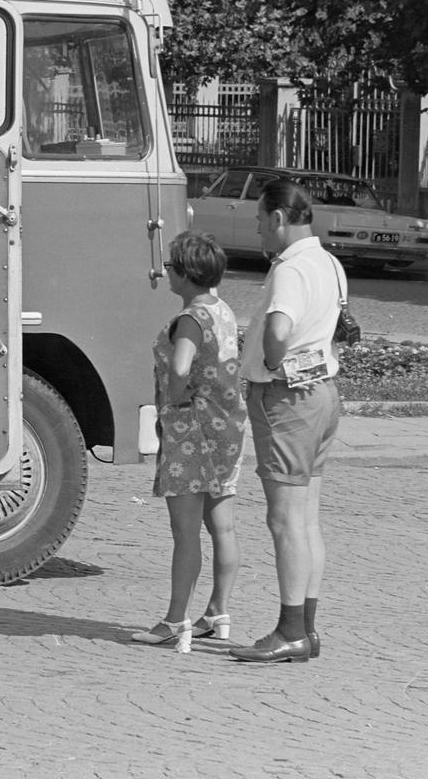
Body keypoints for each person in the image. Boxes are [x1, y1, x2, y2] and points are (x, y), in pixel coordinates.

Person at [230, 179, 344, 663]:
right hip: (322, 394)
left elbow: (278, 330)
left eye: (260, 220)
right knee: (307, 517)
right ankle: (307, 628)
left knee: (284, 520)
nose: (257, 230)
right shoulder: (330, 263)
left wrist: (272, 363)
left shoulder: (291, 270)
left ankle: (290, 630)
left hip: (287, 399)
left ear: (279, 218)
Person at [130, 231, 247, 652]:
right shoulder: (224, 311)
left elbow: (180, 366)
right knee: (223, 525)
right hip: (226, 429)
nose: (167, 272)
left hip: (191, 431)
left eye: (172, 266)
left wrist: (176, 396)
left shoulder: (191, 319)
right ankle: (218, 611)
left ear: (187, 273)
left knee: (185, 533)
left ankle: (175, 618)